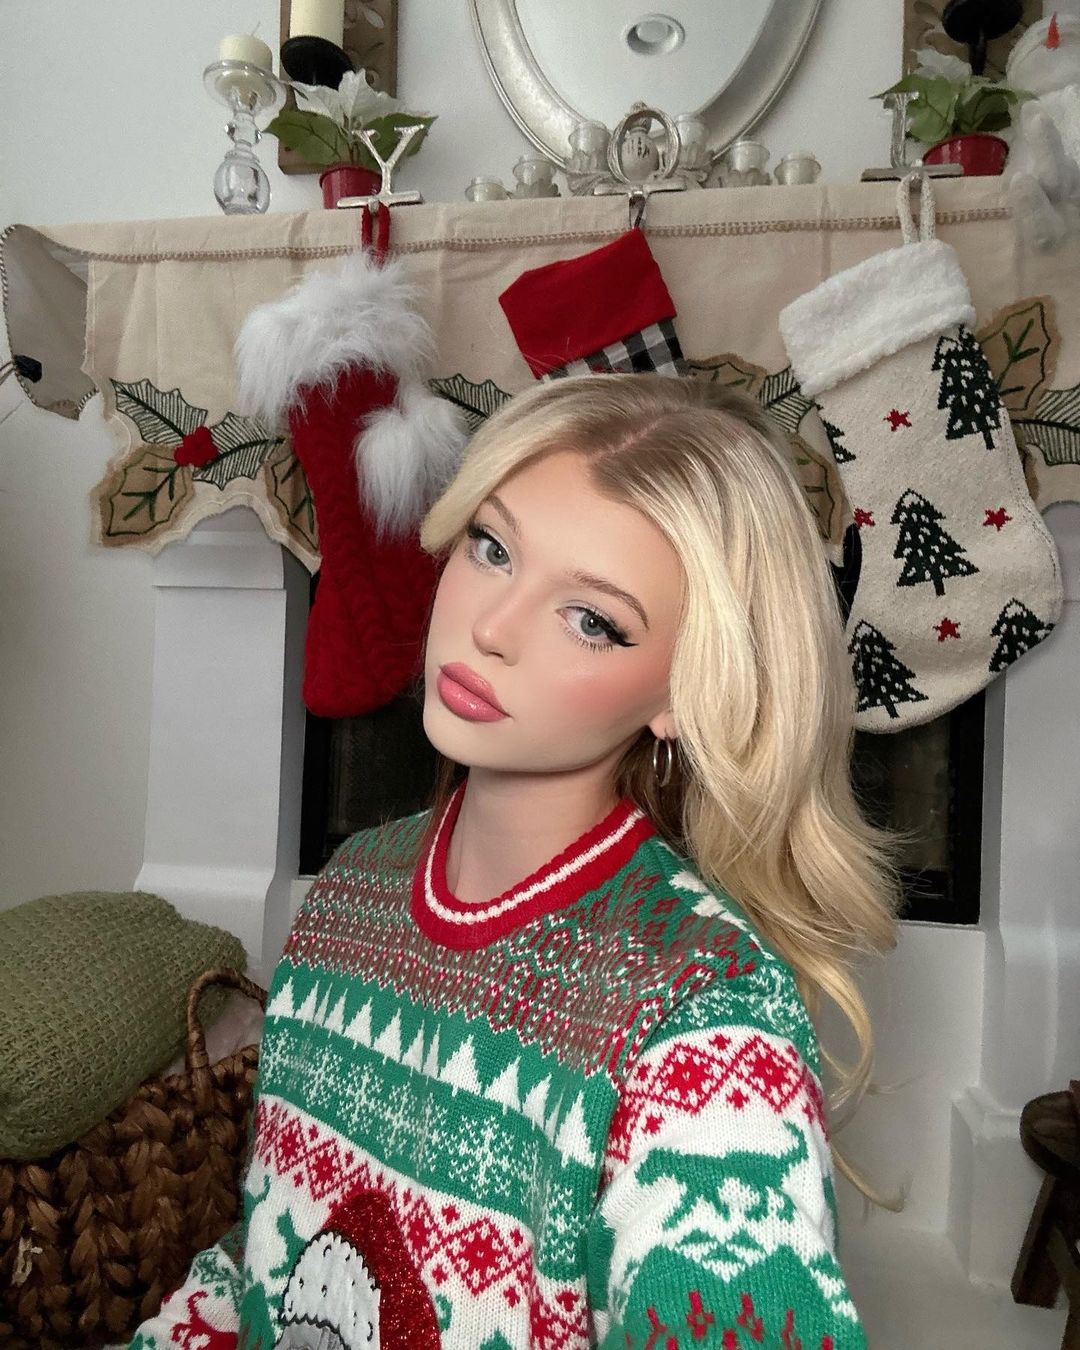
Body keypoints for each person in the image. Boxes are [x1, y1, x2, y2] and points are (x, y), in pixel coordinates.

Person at [128, 373, 905, 1350]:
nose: (491, 628)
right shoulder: (354, 887)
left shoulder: (709, 1023)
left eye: (592, 619)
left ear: (685, 688)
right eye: (492, 548)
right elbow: (263, 1262)